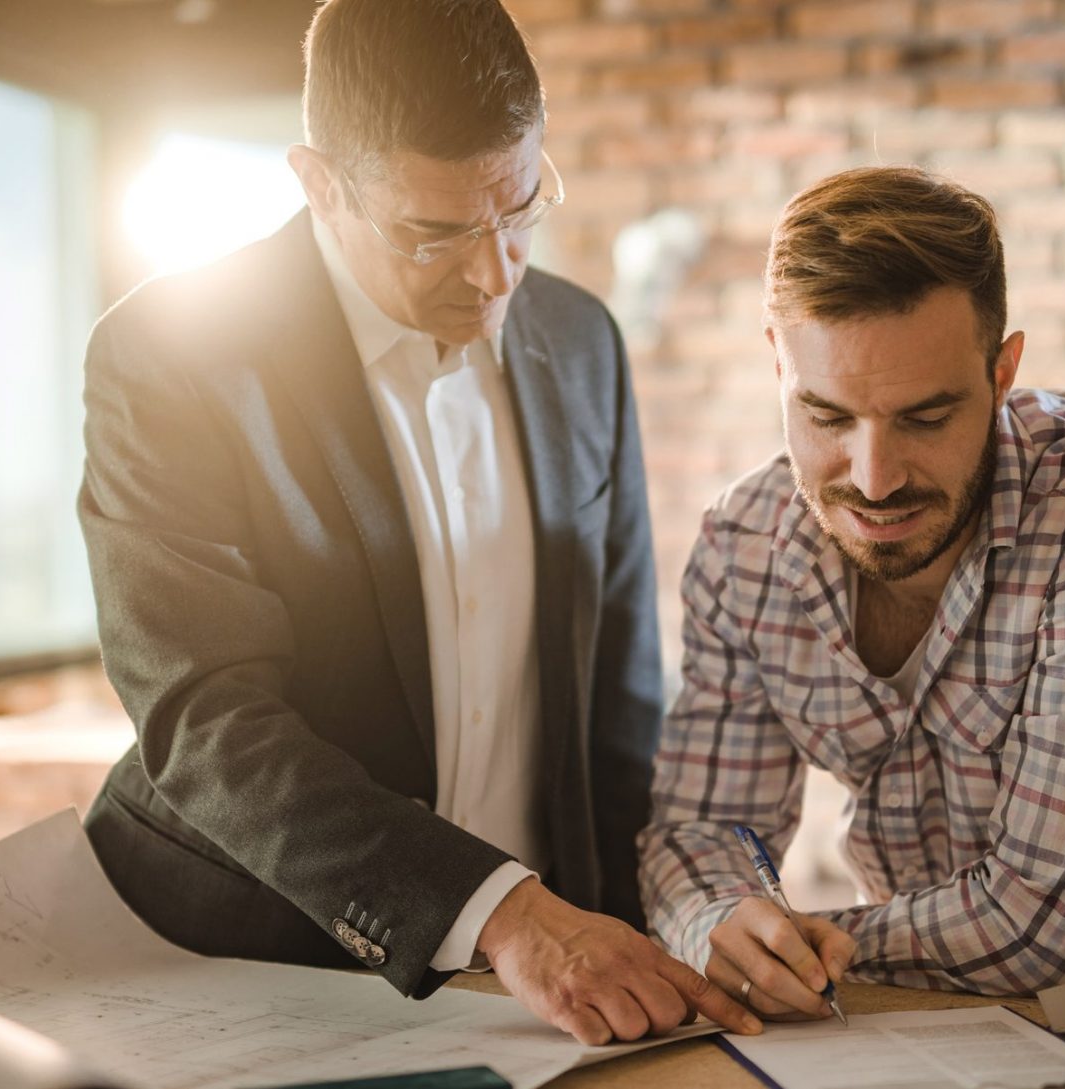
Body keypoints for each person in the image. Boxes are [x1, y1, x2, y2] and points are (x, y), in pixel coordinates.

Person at [75, 0, 758, 1045]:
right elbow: (206, 721)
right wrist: (500, 913)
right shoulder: (169, 356)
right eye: (435, 232)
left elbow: (616, 704)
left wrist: (665, 923)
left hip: (539, 995)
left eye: (523, 207)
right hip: (258, 959)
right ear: (318, 183)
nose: (495, 274)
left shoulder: (581, 340)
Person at [637, 166, 1065, 1014]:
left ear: (1003, 372)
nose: (876, 479)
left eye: (925, 417)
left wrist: (806, 947)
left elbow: (1053, 926)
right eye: (827, 417)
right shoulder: (744, 545)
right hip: (894, 1033)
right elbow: (702, 829)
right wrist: (721, 915)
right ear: (777, 363)